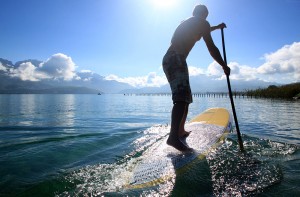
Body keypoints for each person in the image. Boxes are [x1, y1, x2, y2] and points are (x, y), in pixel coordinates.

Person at [162, 4, 231, 151]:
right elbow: (211, 47)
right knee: (181, 98)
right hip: (176, 59)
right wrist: (223, 65)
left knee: (185, 98)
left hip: (171, 59)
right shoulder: (202, 23)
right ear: (204, 15)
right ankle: (173, 137)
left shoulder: (190, 22)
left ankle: (180, 131)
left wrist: (216, 27)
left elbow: (200, 31)